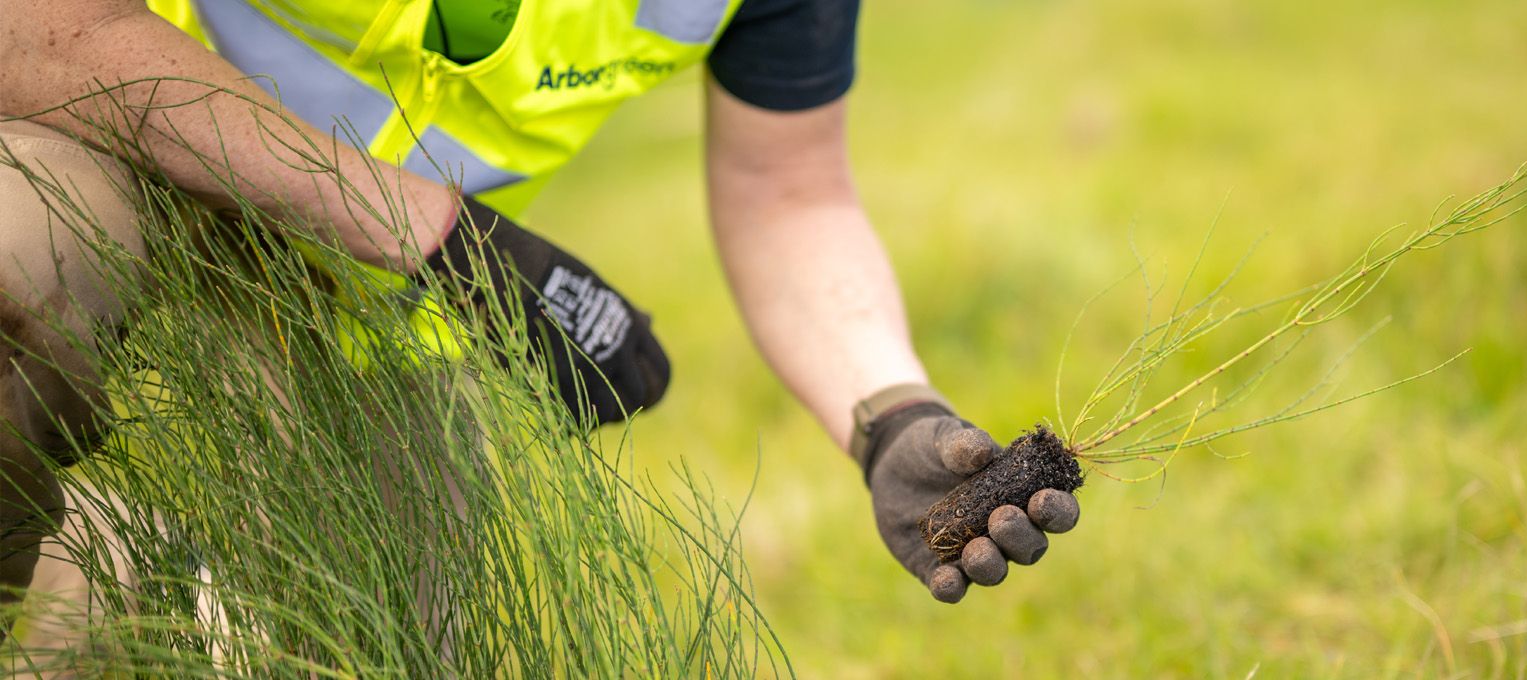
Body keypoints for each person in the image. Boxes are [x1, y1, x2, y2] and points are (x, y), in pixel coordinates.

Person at [0, 0, 1079, 623]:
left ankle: (124, 561)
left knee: (373, 628)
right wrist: (420, 230)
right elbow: (40, 26)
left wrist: (887, 408)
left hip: (364, 329)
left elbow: (787, 185)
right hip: (104, 157)